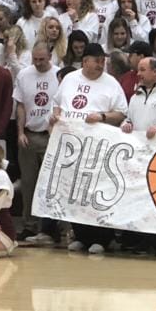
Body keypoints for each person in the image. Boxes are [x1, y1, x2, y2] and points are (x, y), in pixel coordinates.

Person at [50, 42, 127, 254]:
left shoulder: (111, 83)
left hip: (97, 147)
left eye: (103, 61)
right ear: (85, 61)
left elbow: (121, 113)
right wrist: (56, 114)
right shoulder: (69, 79)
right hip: (71, 147)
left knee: (96, 193)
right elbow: (57, 103)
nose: (101, 65)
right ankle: (81, 236)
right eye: (97, 61)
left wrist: (102, 116)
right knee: (75, 191)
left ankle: (102, 238)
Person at [13, 43, 60, 241]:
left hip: (52, 135)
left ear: (50, 56)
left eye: (42, 59)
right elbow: (21, 106)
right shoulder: (24, 74)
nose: (38, 63)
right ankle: (30, 225)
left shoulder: (59, 76)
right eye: (35, 59)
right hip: (30, 134)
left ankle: (54, 227)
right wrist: (20, 131)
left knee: (52, 183)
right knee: (29, 182)